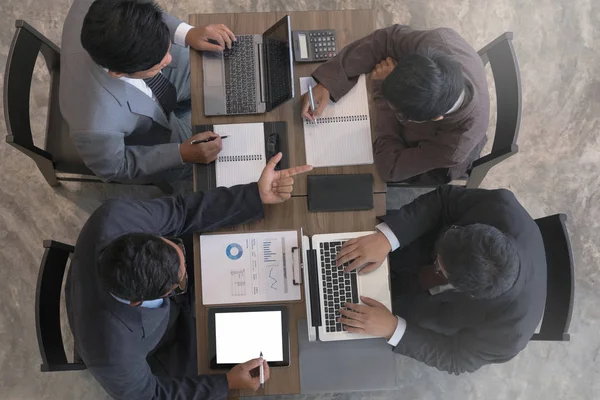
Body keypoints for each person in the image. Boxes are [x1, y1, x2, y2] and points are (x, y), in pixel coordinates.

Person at [65, 153, 312, 399]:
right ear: (137, 302)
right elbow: (150, 396)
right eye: (180, 281)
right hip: (167, 341)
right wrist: (226, 383)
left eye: (177, 250)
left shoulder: (117, 216)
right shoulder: (112, 353)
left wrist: (254, 195)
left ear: (147, 235)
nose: (187, 275)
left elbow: (182, 211)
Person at [334, 186, 547, 375]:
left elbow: (455, 357)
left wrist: (392, 328)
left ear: (467, 293)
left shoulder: (509, 335)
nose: (437, 263)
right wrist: (388, 238)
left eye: (440, 268)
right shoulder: (501, 206)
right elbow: (444, 200)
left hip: (421, 310)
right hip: (412, 241)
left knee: (340, 322)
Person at [60, 0, 236, 184]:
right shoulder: (96, 127)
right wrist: (182, 153)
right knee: (218, 157)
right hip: (150, 135)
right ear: (118, 73)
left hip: (143, 71)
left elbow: (141, 10)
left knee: (220, 68)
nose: (168, 60)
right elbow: (115, 168)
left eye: (166, 51)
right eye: (157, 65)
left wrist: (187, 33)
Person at [301, 25, 490, 184]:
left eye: (399, 113)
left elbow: (389, 168)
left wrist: (380, 94)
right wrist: (329, 82)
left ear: (434, 118)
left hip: (433, 162)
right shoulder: (437, 42)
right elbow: (386, 40)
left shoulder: (454, 146)